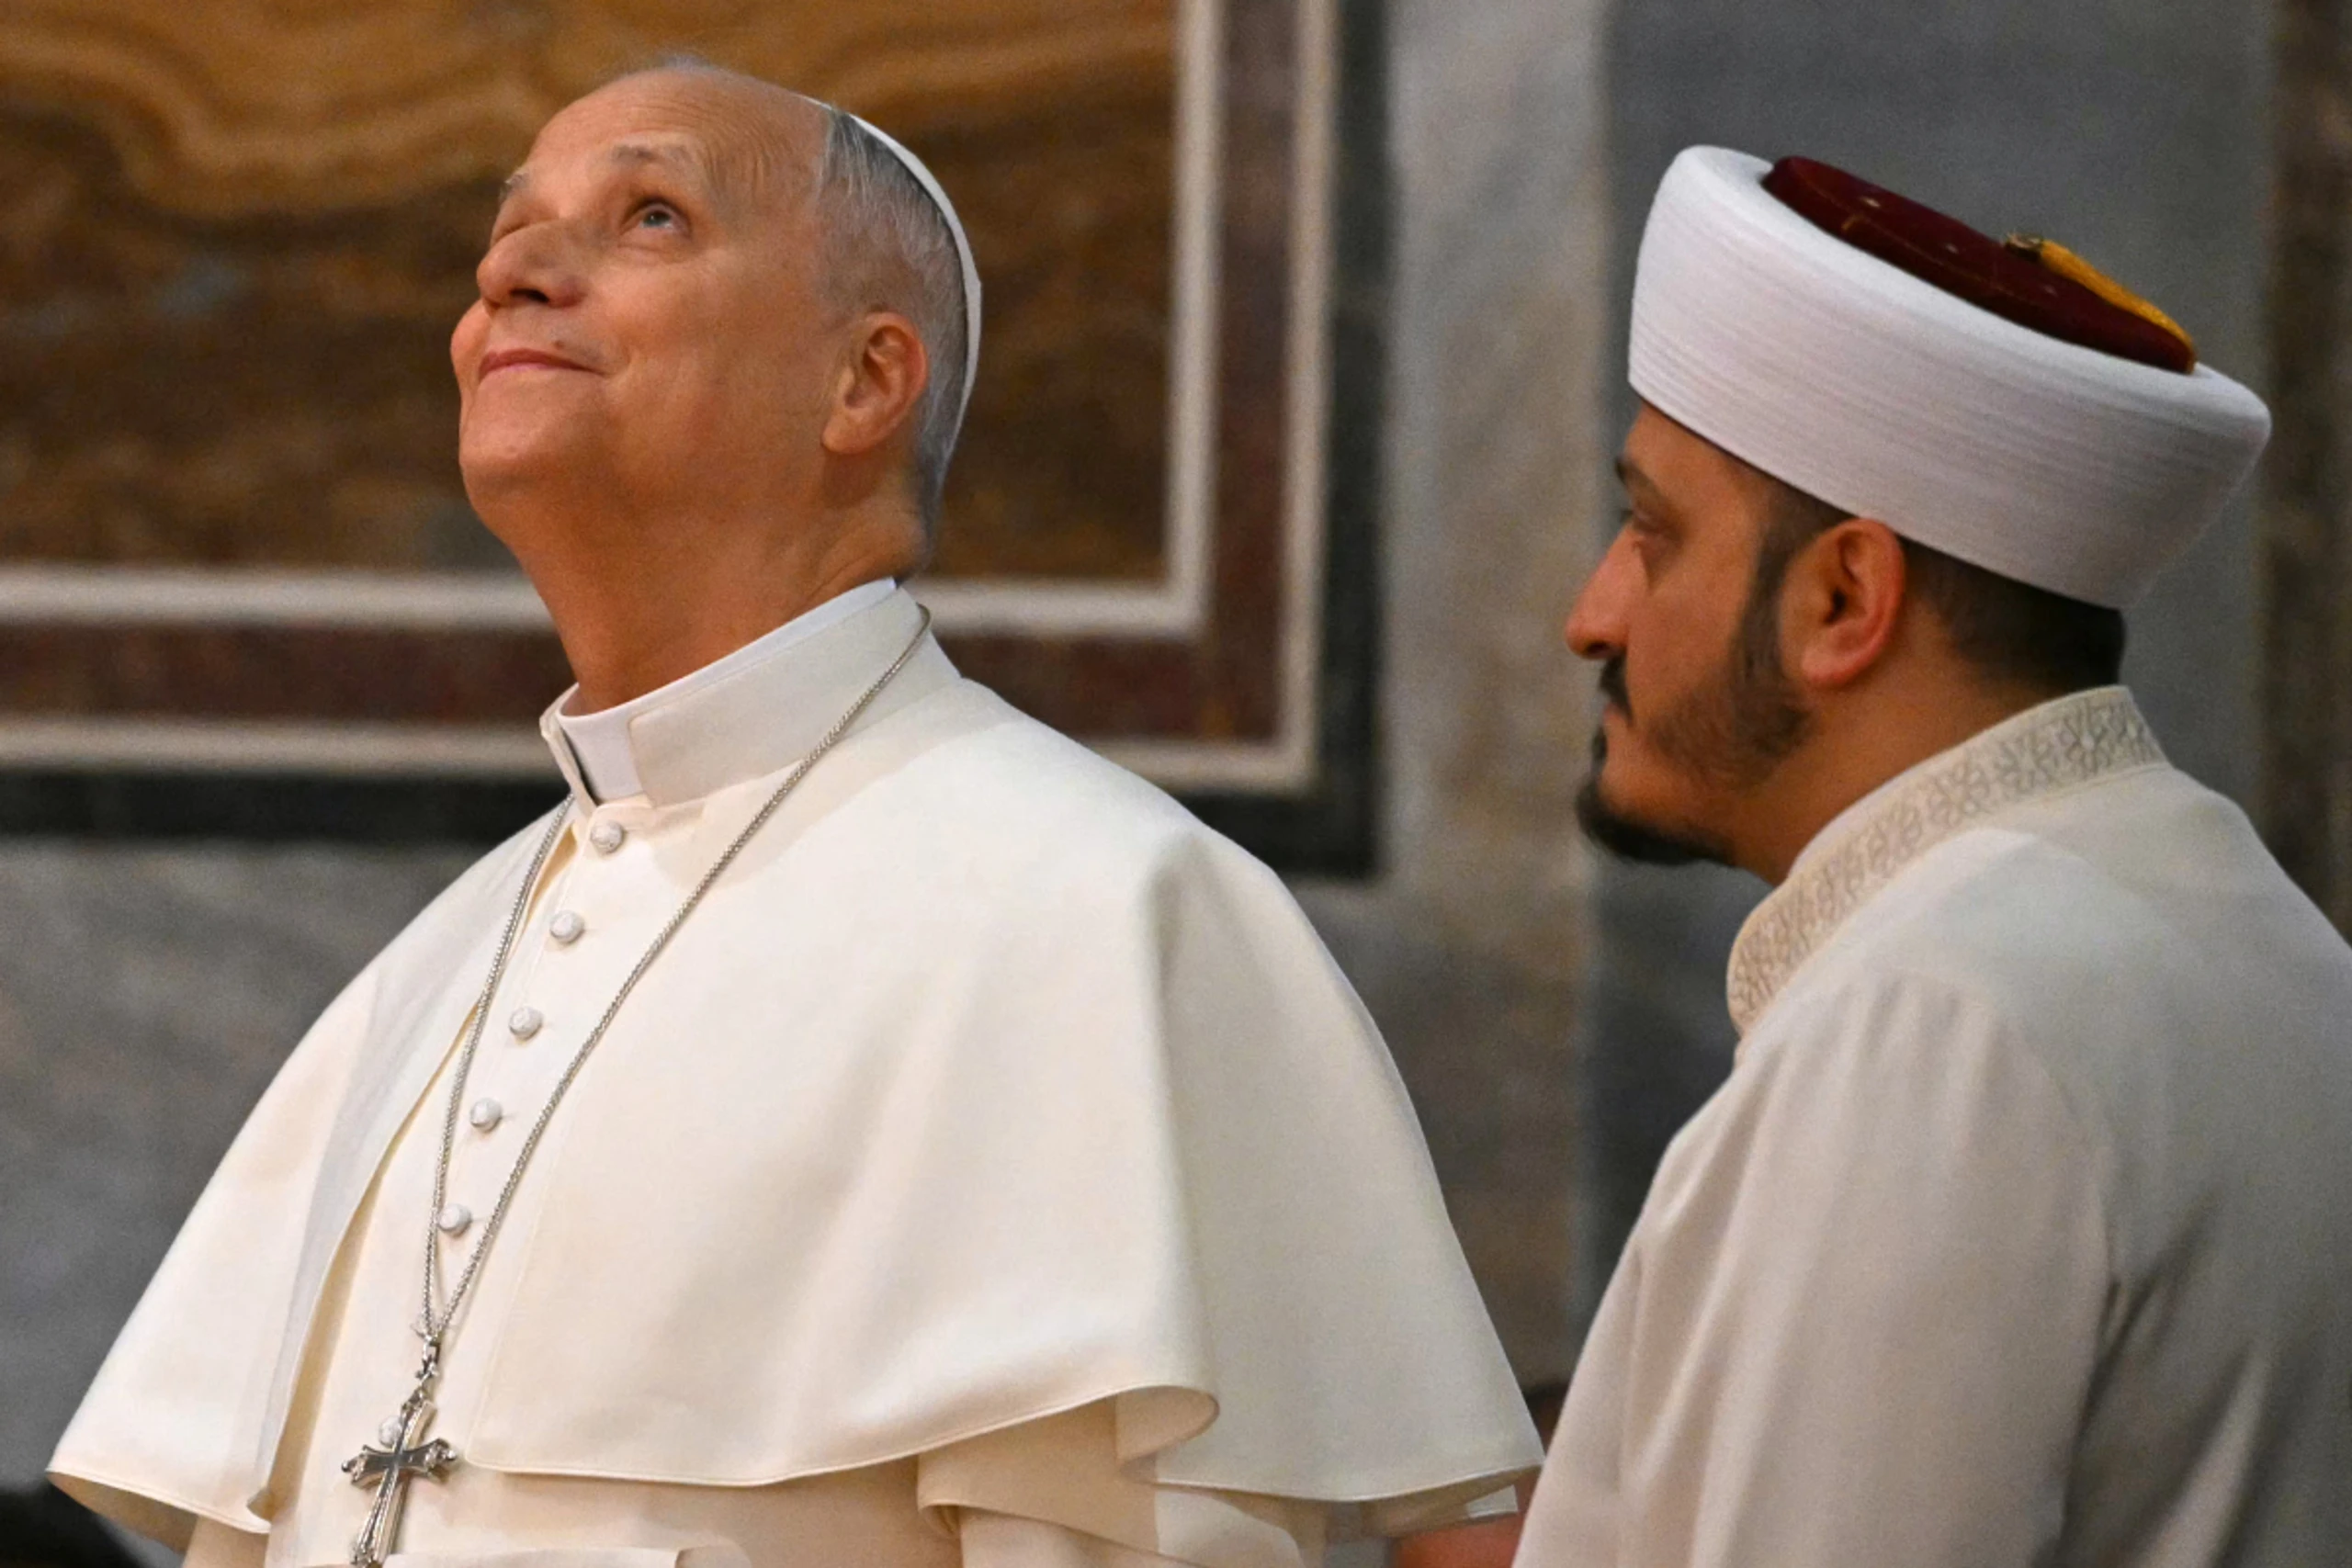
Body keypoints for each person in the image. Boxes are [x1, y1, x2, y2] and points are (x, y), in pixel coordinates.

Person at [51, 63, 1541, 1568]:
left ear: (863, 382)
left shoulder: (1097, 910)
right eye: (504, 239)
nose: (511, 273)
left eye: (649, 214)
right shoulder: (428, 975)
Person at [1516, 149, 2352, 1566]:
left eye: (1652, 532)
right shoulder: (2281, 947)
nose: (1591, 615)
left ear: (1846, 596)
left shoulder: (1933, 1025)